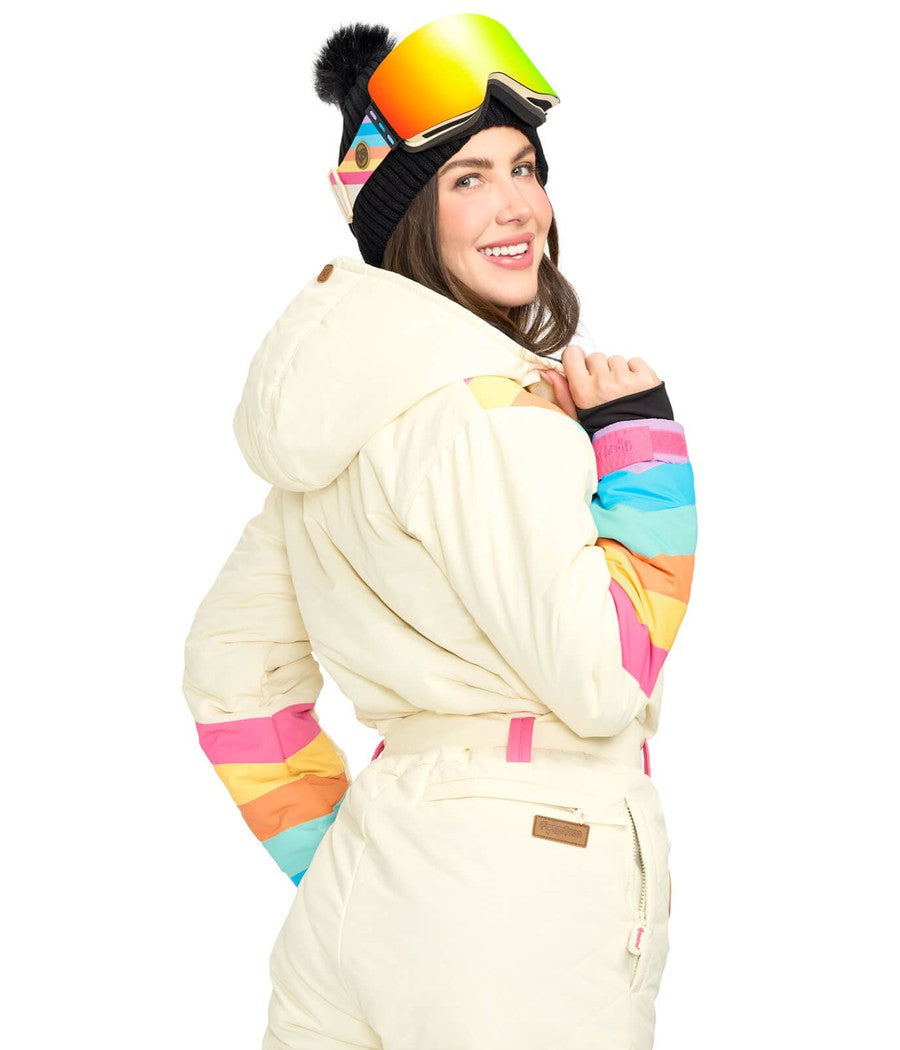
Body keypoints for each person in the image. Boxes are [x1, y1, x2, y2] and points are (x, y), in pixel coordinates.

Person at [182, 14, 697, 1050]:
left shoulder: (342, 421)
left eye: (524, 168)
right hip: (520, 899)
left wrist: (346, 854)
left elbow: (230, 675)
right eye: (468, 178)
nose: (518, 207)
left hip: (365, 890)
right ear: (405, 213)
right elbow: (602, 682)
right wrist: (643, 451)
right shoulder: (488, 410)